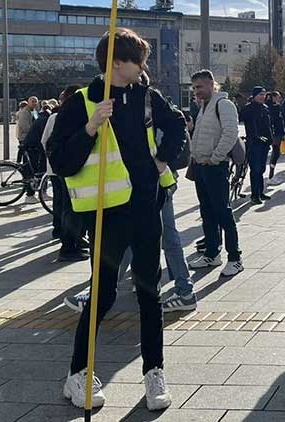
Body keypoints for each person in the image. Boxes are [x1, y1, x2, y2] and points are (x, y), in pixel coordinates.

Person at [47, 28, 183, 411]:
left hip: (145, 209)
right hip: (106, 215)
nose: (144, 67)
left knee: (149, 292)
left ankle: (154, 371)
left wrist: (163, 159)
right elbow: (59, 160)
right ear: (116, 63)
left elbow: (176, 129)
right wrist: (91, 128)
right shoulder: (83, 102)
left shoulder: (148, 97)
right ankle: (78, 373)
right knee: (103, 293)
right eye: (138, 59)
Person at [189, 69, 243, 277]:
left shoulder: (224, 105)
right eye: (194, 88)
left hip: (215, 167)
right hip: (201, 167)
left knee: (223, 212)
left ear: (211, 84)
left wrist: (215, 157)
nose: (196, 91)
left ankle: (235, 258)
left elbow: (231, 133)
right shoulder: (203, 107)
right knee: (207, 212)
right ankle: (212, 253)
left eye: (199, 87)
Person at [43, 85, 88, 261]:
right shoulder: (63, 116)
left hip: (62, 168)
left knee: (64, 205)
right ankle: (69, 246)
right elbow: (48, 141)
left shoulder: (61, 115)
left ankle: (72, 239)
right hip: (66, 169)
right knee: (70, 208)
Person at [239, 86, 272, 203]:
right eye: (260, 95)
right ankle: (254, 195)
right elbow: (249, 125)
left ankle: (260, 192)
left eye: (264, 95)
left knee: (262, 169)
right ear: (254, 96)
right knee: (256, 169)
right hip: (254, 143)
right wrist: (256, 137)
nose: (263, 97)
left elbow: (268, 126)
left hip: (265, 143)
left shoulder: (265, 108)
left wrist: (270, 139)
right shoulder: (248, 109)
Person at [266, 90, 285, 181]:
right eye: (278, 97)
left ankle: (271, 174)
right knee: (275, 153)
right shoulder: (275, 107)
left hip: (276, 132)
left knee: (276, 152)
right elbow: (278, 121)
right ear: (274, 97)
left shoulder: (268, 107)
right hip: (276, 133)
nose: (280, 99)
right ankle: (271, 175)